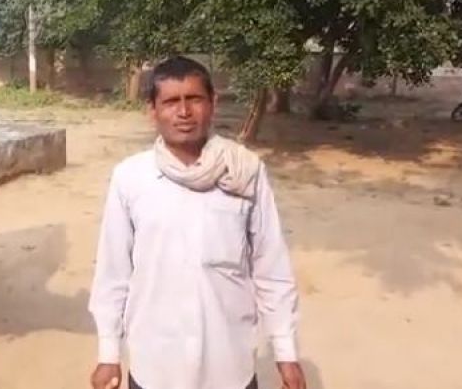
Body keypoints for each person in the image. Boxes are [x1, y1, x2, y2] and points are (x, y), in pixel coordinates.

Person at [87, 56, 306, 389]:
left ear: (212, 103)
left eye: (194, 99)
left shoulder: (245, 172)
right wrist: (108, 353)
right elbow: (113, 273)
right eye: (171, 102)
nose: (184, 112)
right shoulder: (130, 178)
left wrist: (286, 353)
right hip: (156, 366)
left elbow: (270, 267)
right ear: (153, 110)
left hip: (229, 366)